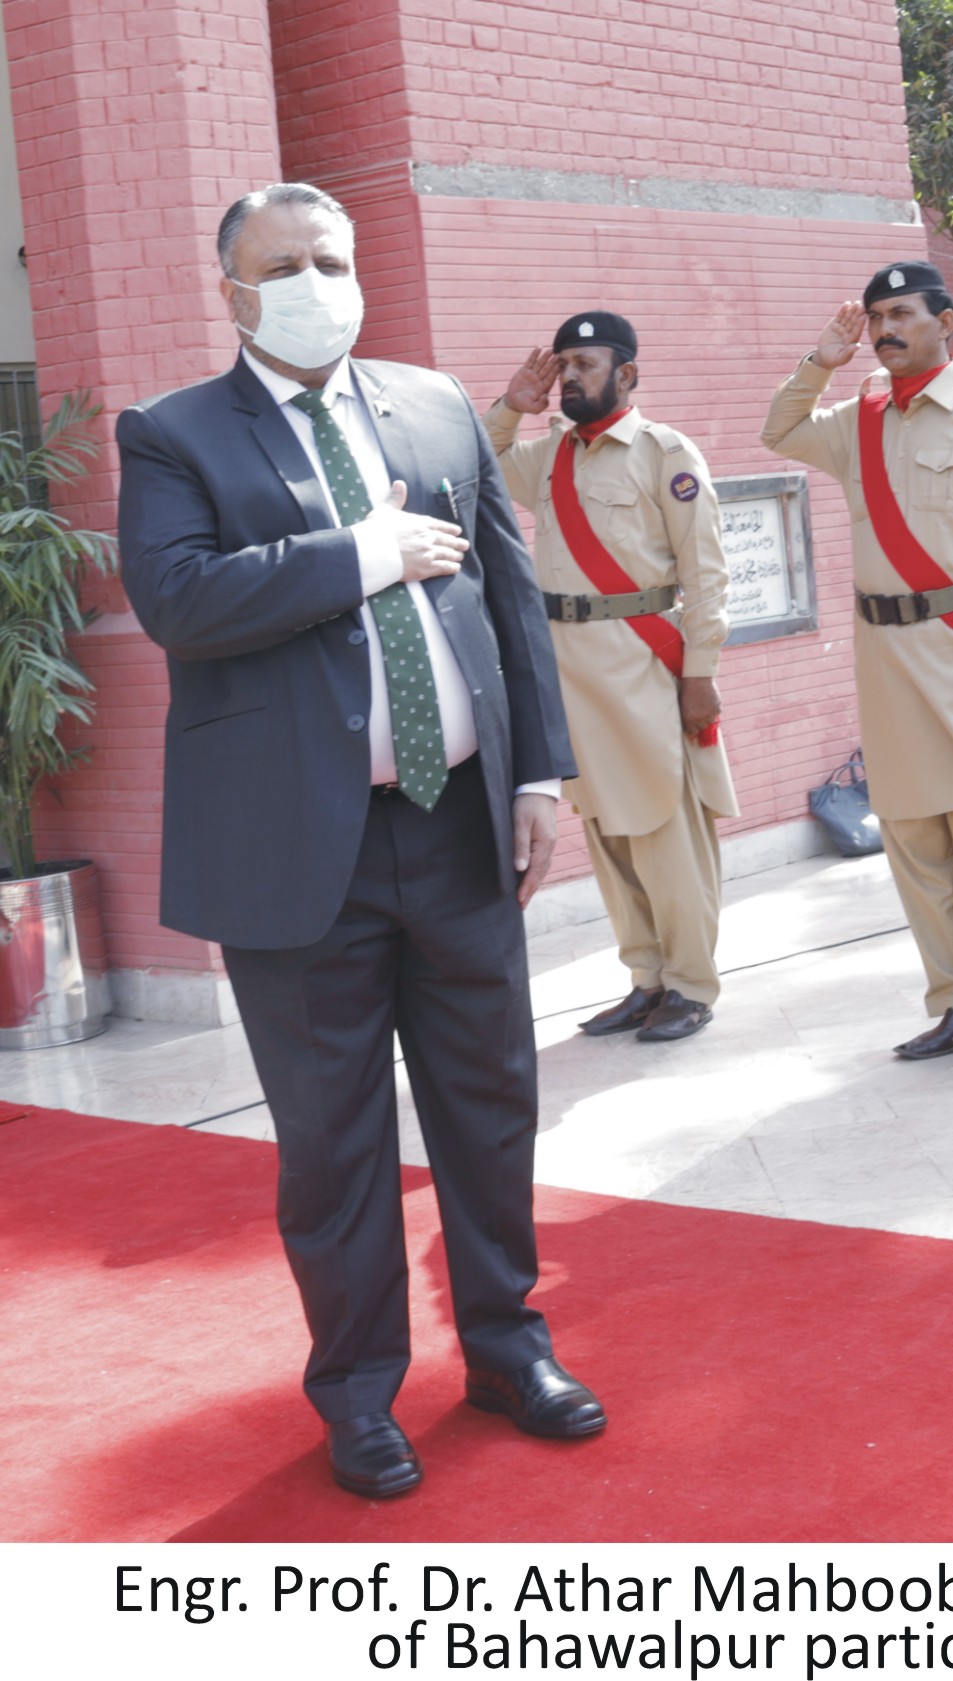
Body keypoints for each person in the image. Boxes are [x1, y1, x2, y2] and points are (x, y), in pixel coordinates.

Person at [116, 184, 603, 1500]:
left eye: (331, 259)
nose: (317, 282)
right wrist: (361, 553)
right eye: (285, 266)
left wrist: (540, 772)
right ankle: (357, 1393)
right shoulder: (173, 437)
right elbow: (178, 600)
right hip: (297, 859)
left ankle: (508, 1346)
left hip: (456, 829)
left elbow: (508, 594)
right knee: (334, 1148)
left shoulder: (436, 406)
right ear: (233, 291)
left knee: (491, 1111)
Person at [760, 260, 953, 1067]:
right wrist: (822, 357)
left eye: (901, 313)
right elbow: (778, 431)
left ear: (946, 322)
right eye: (875, 316)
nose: (886, 329)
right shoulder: (856, 420)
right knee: (916, 836)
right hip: (888, 655)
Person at [488, 312, 738, 1042]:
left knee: (663, 828)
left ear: (626, 374)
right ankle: (646, 977)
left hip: (642, 663)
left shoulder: (666, 452)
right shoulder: (548, 457)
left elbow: (707, 575)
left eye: (585, 364)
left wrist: (701, 673)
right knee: (606, 831)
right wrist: (511, 405)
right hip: (568, 669)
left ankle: (690, 984)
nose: (569, 376)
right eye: (563, 364)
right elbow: (475, 467)